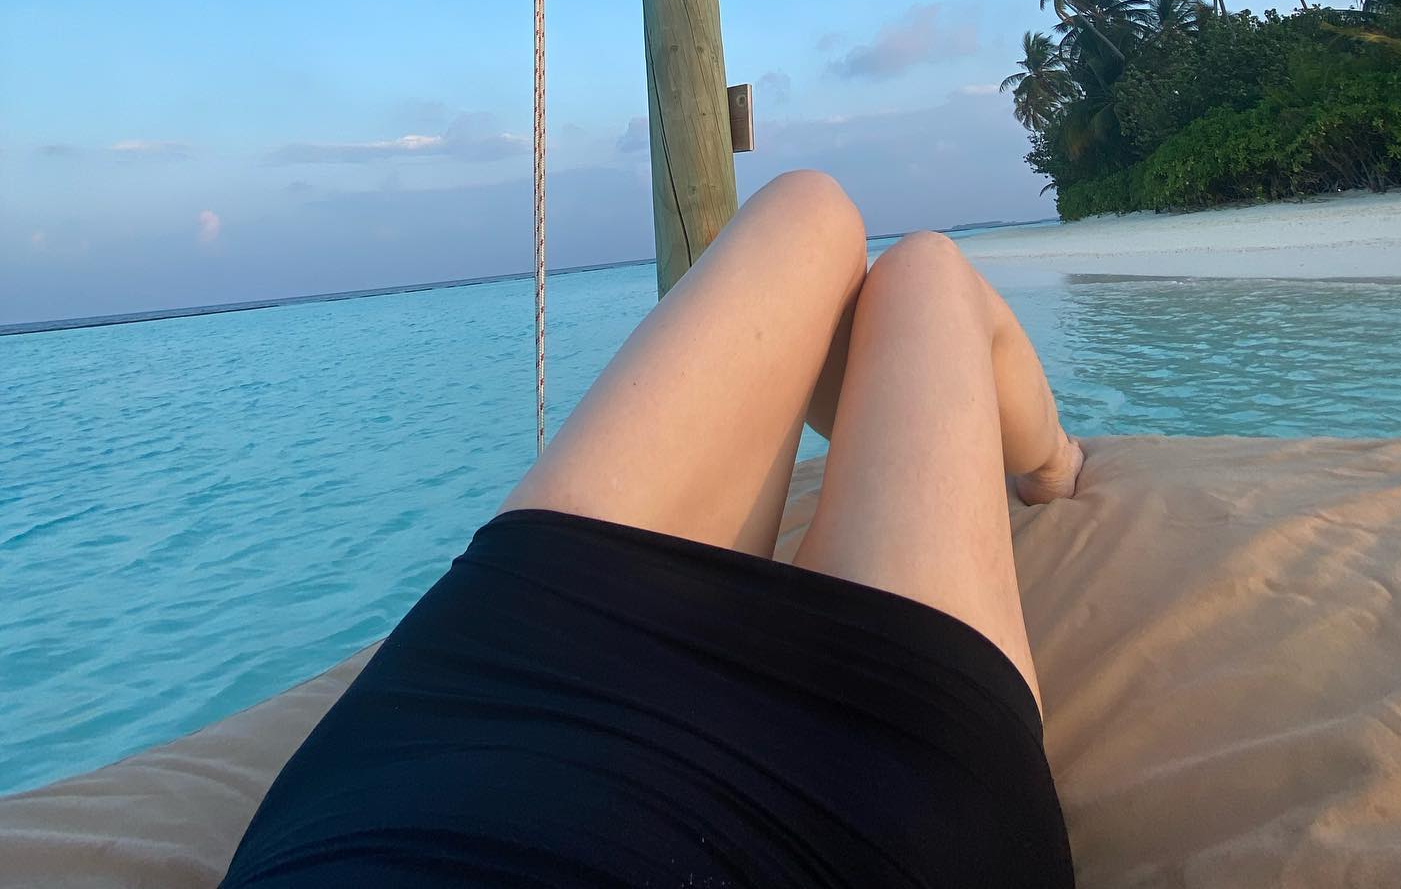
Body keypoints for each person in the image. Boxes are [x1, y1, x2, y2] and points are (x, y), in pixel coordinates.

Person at [221, 171, 1081, 886]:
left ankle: (987, 441)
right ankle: (1051, 462)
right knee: (925, 271)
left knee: (809, 210)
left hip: (444, 739)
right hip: (856, 809)